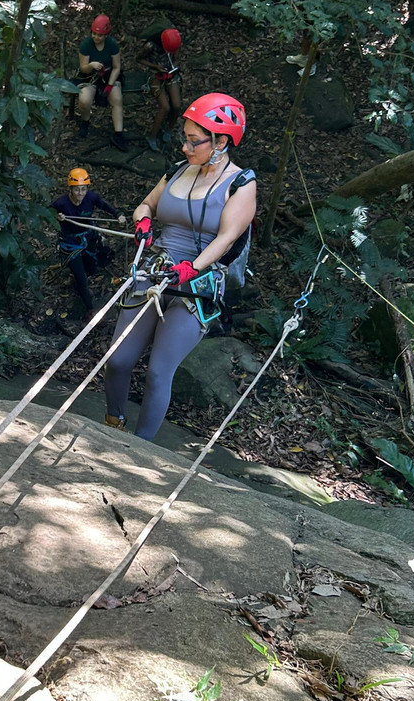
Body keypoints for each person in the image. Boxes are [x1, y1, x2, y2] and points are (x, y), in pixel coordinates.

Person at [103, 93, 257, 440]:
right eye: (184, 139)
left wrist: (191, 267)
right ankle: (113, 425)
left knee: (158, 372)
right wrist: (142, 221)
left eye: (193, 141)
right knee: (118, 360)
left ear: (221, 142)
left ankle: (139, 448)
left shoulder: (241, 184)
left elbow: (227, 238)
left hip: (197, 286)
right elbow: (147, 205)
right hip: (156, 271)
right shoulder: (176, 172)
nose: (186, 148)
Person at [51, 168, 125, 318]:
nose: (80, 193)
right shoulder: (61, 203)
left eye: (83, 189)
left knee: (92, 268)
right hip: (70, 243)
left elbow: (103, 205)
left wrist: (118, 215)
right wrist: (56, 216)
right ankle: (90, 310)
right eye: (77, 190)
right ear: (70, 189)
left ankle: (78, 279)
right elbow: (47, 213)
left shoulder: (90, 197)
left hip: (89, 238)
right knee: (82, 278)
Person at [77, 14, 128, 152]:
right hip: (90, 77)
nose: (96, 37)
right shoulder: (86, 45)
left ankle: (118, 134)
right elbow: (83, 68)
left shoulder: (111, 45)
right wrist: (91, 65)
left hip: (108, 75)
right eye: (94, 33)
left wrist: (110, 85)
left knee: (117, 98)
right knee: (84, 100)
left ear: (105, 35)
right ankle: (85, 121)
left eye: (99, 35)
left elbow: (117, 67)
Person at [139, 28, 182, 152]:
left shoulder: (175, 41)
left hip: (170, 74)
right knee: (165, 107)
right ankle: (152, 137)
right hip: (154, 74)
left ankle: (168, 130)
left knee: (177, 105)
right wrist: (156, 67)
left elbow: (176, 56)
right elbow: (139, 59)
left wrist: (173, 66)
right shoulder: (150, 45)